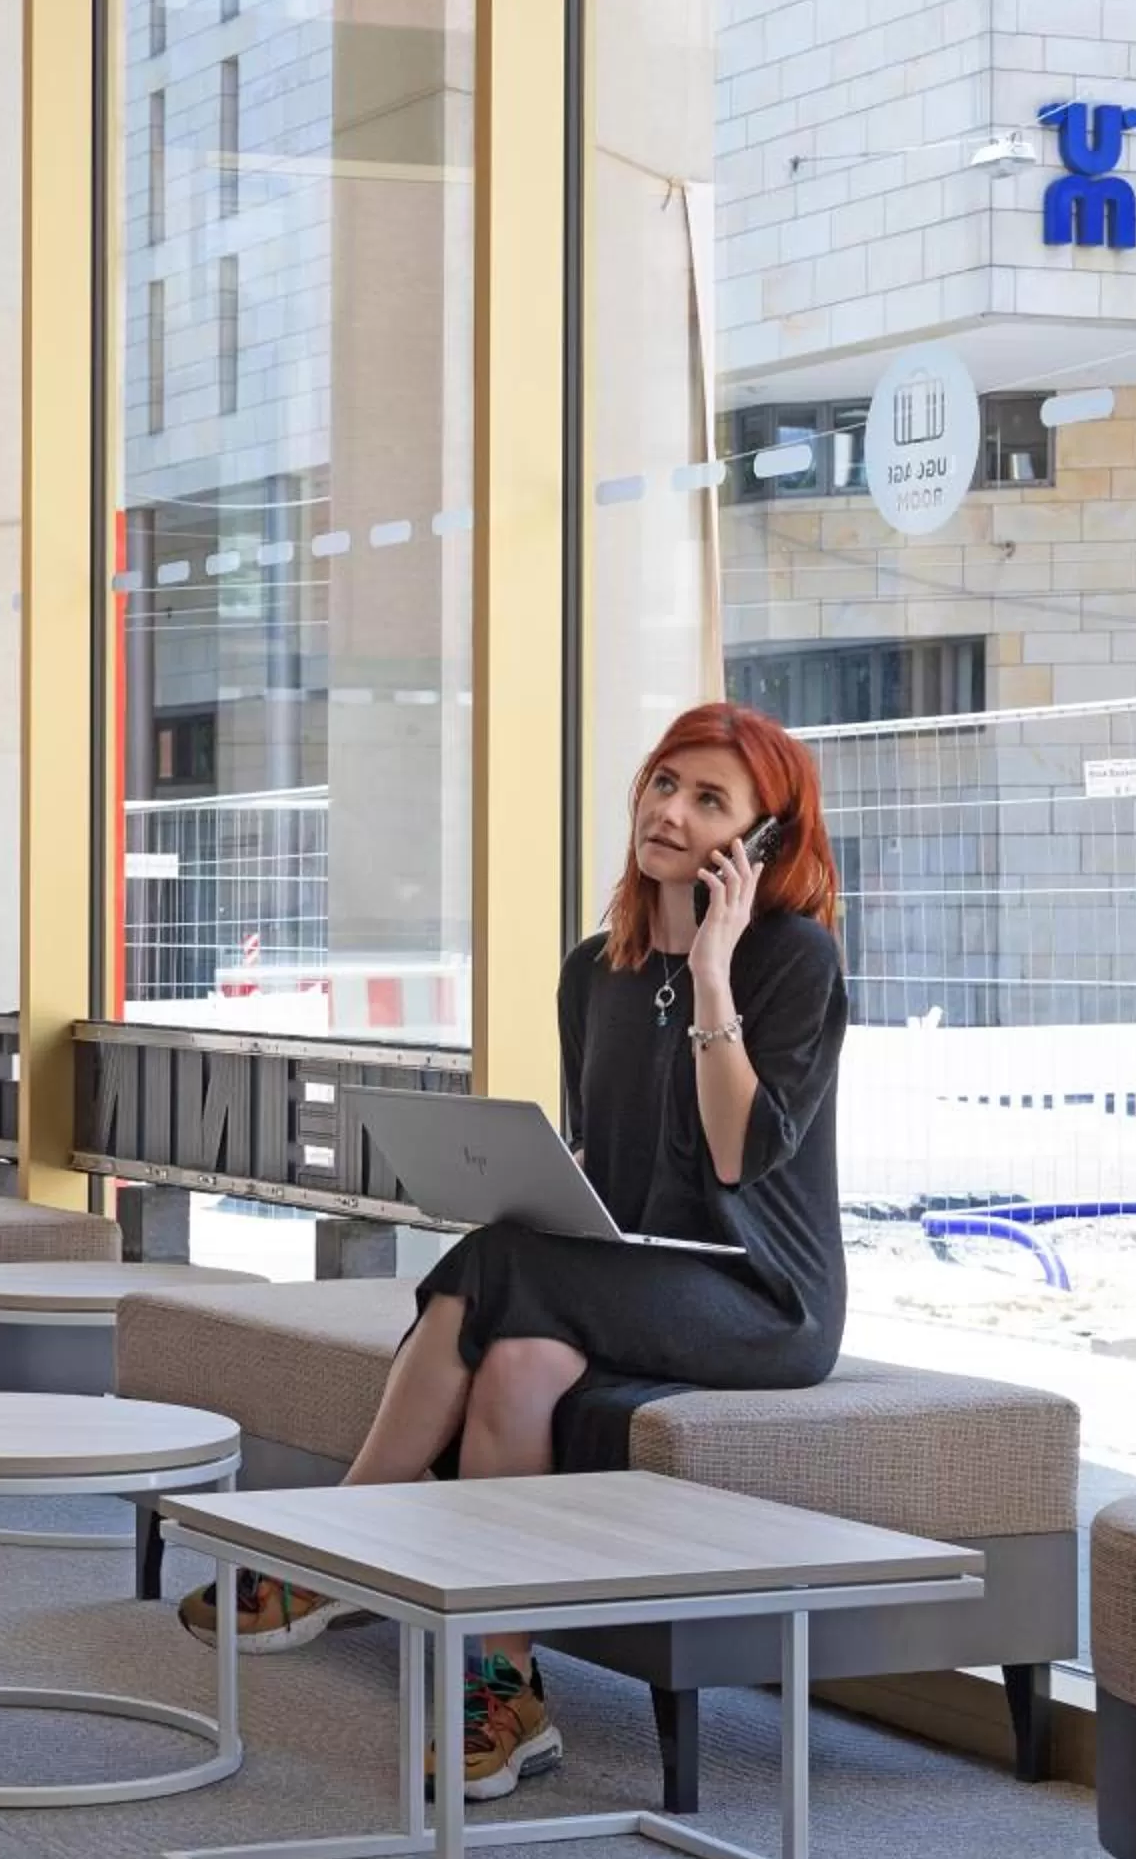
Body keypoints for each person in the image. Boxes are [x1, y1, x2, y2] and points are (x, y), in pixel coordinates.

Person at [179, 701, 850, 1802]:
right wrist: (541, 1185)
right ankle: (506, 1690)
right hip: (629, 1274)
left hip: (759, 1296)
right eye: (664, 782)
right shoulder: (595, 969)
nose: (671, 811)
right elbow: (607, 1161)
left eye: (709, 800)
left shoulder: (793, 960)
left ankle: (343, 1538)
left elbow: (737, 1157)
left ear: (760, 840)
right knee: (518, 1357)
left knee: (499, 1264)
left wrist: (714, 972)